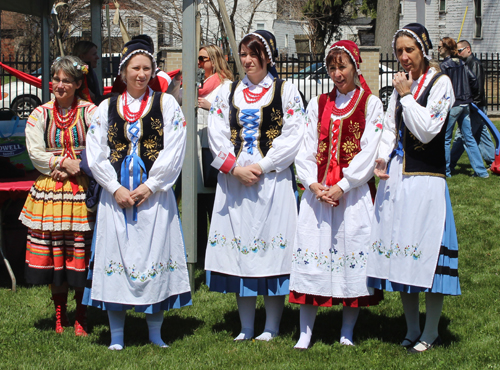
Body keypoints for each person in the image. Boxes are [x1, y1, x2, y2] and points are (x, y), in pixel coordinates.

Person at [83, 39, 191, 350]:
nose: (141, 74)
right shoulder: (106, 107)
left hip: (154, 197)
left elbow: (174, 149)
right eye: (135, 68)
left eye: (146, 68)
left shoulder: (166, 104)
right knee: (117, 257)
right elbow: (95, 152)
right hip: (116, 199)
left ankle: (155, 332)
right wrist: (114, 187)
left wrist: (151, 185)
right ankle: (117, 335)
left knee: (153, 254)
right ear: (123, 72)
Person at [204, 30, 305, 341]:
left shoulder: (286, 91)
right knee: (240, 252)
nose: (247, 60)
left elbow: (293, 136)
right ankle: (246, 326)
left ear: (267, 56)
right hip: (235, 183)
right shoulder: (226, 91)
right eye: (243, 54)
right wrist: (234, 168)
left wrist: (260, 166)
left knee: (272, 250)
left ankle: (272, 325)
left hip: (271, 181)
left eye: (253, 53)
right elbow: (216, 132)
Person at [367, 23, 461, 353]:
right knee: (402, 255)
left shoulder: (441, 84)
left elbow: (426, 130)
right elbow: (391, 127)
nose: (404, 57)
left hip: (427, 181)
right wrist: (381, 157)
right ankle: (411, 328)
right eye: (399, 52)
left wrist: (407, 96)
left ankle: (432, 330)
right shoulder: (400, 86)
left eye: (410, 50)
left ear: (424, 50)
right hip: (399, 180)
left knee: (428, 256)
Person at [289, 40, 384, 350]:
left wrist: (343, 185)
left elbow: (369, 152)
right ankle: (305, 332)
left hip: (352, 195)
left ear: (355, 67)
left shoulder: (370, 104)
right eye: (332, 67)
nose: (337, 73)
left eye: (342, 66)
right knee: (313, 254)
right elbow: (305, 147)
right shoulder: (317, 104)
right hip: (318, 195)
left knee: (351, 253)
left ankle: (347, 330)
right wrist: (313, 185)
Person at [19, 56, 97, 336]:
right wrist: (63, 163)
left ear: (78, 84)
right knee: (57, 255)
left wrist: (80, 165)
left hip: (80, 193)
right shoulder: (39, 114)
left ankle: (81, 316)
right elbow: (35, 154)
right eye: (56, 79)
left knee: (79, 255)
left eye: (67, 80)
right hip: (50, 193)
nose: (60, 85)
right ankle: (59, 316)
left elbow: (101, 146)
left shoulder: (91, 112)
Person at [196, 44, 234, 263]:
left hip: (213, 148)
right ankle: (200, 252)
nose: (200, 64)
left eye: (203, 59)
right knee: (198, 203)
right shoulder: (196, 84)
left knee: (215, 200)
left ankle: (220, 250)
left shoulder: (226, 85)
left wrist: (211, 106)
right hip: (196, 147)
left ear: (214, 60)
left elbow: (232, 116)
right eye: (199, 60)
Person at [439, 37, 486, 178]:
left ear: (447, 48)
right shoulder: (462, 63)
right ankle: (482, 172)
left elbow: (442, 86)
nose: (438, 50)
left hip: (454, 105)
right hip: (465, 104)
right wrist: (469, 96)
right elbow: (474, 81)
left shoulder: (444, 66)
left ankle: (446, 171)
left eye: (440, 47)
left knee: (446, 139)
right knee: (469, 138)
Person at [450, 40, 495, 170]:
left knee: (462, 135)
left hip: (476, 106)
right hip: (474, 105)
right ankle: (493, 161)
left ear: (468, 49)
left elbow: (478, 88)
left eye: (459, 51)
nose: (458, 54)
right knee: (481, 133)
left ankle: (450, 163)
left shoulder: (474, 63)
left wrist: (472, 105)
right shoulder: (465, 64)